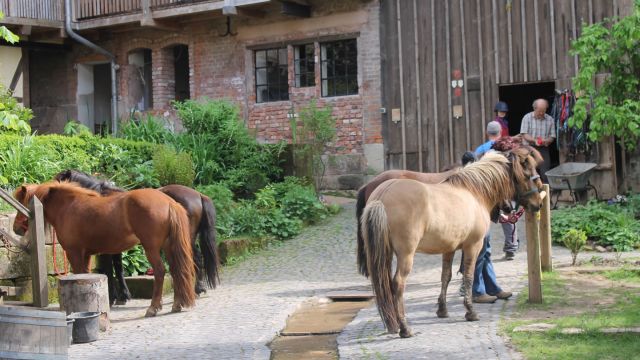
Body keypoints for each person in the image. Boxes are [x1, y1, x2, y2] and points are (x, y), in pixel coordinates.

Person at [457, 122, 513, 303]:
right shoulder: (486, 168)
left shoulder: (485, 154)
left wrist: (499, 215)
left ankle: (492, 288)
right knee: (479, 253)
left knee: (486, 252)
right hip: (478, 218)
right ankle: (476, 291)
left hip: (485, 215)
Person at [476, 120, 519, 260]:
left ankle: (482, 248)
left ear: (487, 133)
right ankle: (511, 248)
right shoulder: (506, 147)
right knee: (509, 215)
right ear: (500, 132)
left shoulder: (481, 150)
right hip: (504, 189)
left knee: (484, 217)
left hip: (487, 189)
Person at [519, 98, 556, 183]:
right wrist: (534, 140)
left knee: (545, 172)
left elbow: (552, 136)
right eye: (540, 111)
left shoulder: (550, 119)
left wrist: (547, 141)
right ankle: (531, 193)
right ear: (534, 108)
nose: (542, 113)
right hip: (528, 148)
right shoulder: (527, 118)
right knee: (528, 171)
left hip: (543, 149)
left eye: (544, 111)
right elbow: (524, 134)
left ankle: (547, 191)